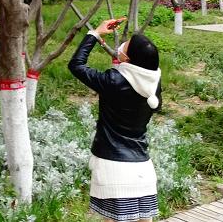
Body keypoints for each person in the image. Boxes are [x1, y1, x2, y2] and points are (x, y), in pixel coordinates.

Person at [69, 17, 163, 222]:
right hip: (142, 169)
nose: (120, 46)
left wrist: (95, 34)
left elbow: (76, 65)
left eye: (125, 47)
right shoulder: (153, 84)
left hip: (113, 168)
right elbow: (133, 74)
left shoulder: (113, 82)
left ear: (128, 60)